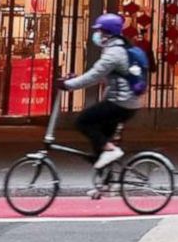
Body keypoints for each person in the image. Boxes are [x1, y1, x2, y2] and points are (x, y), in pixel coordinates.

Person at [58, 13, 141, 174]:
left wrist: (68, 85)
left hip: (120, 103)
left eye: (100, 31)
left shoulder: (113, 54)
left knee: (83, 122)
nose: (97, 35)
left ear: (107, 33)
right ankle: (103, 182)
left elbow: (94, 76)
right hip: (127, 102)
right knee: (99, 140)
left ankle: (110, 150)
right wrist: (74, 79)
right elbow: (105, 77)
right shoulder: (120, 48)